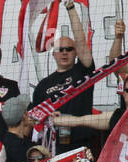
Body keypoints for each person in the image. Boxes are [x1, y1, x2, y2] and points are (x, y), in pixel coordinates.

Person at [30, 7, 96, 154]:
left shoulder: (84, 71)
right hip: (53, 146)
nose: (64, 52)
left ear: (76, 52)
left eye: (69, 49)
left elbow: (80, 39)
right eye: (60, 49)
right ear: (53, 54)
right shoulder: (43, 86)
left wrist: (71, 8)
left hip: (80, 142)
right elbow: (34, 119)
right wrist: (47, 117)